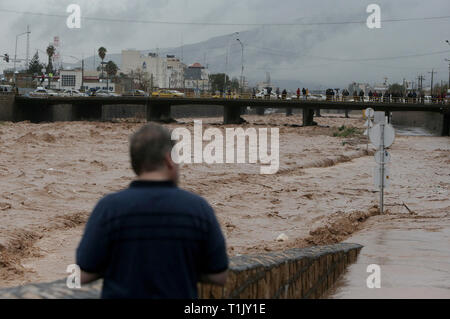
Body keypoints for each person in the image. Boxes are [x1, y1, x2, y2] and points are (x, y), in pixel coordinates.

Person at [76, 123, 229, 299]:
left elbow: (83, 274)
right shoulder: (198, 208)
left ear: (136, 163)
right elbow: (220, 275)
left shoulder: (108, 208)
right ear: (168, 160)